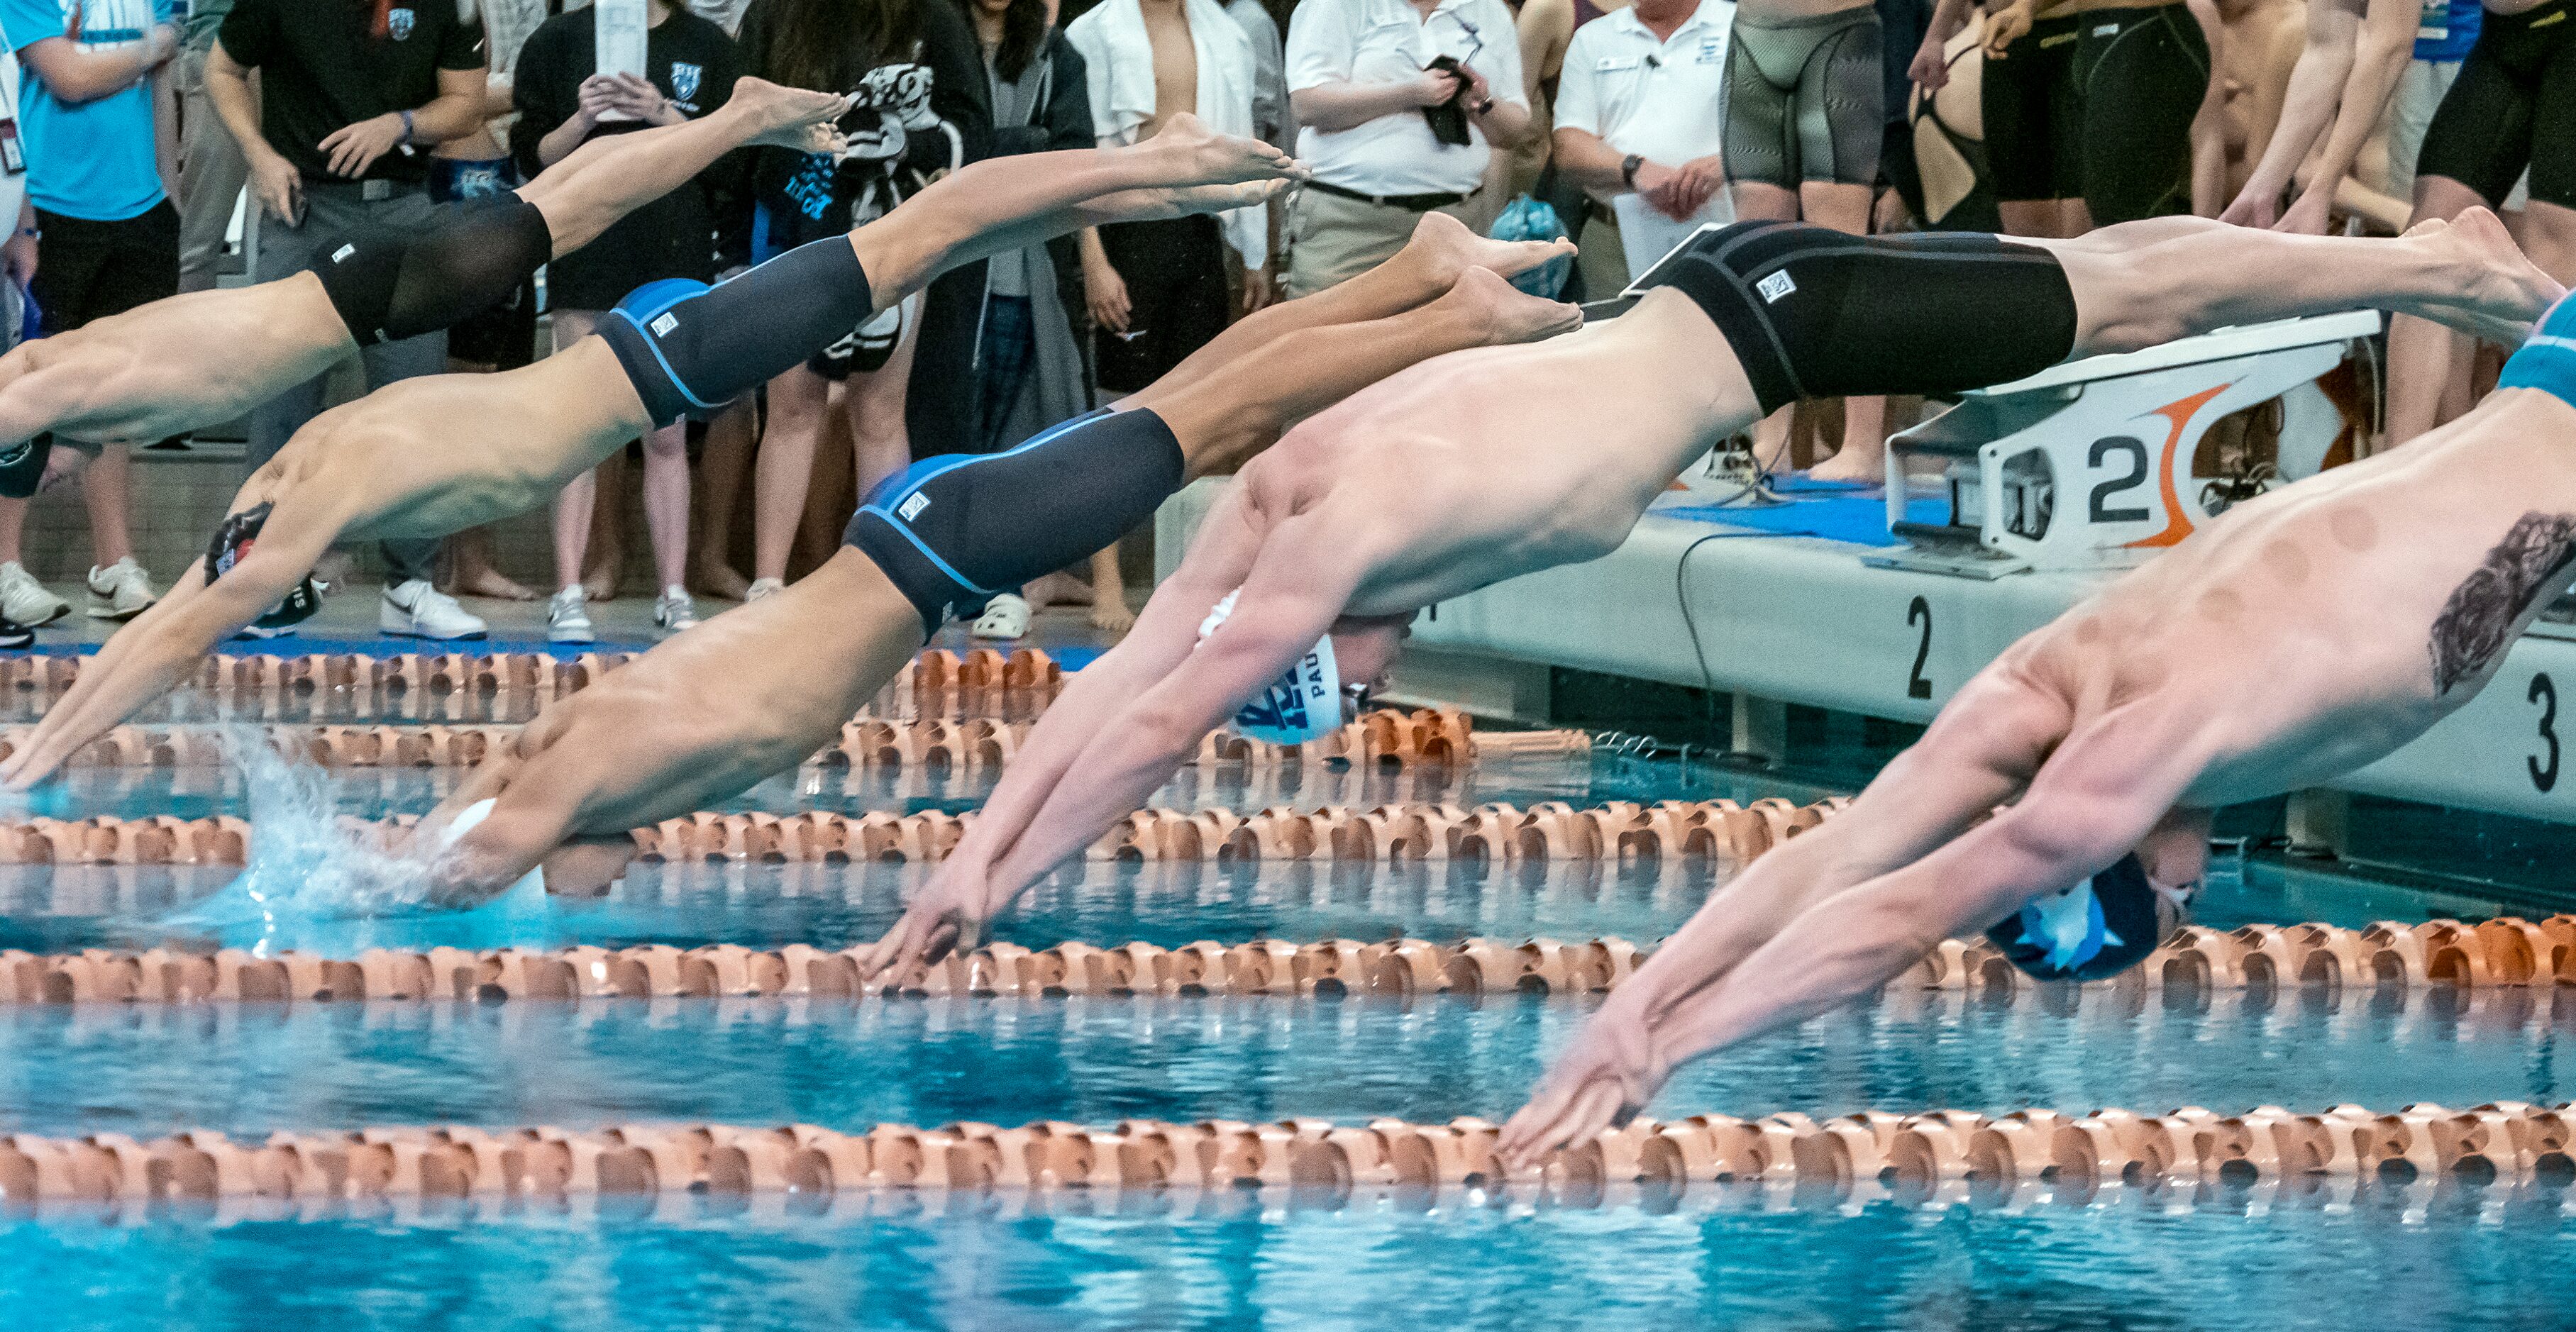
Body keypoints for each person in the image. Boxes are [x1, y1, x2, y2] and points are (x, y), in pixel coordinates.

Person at [854, 207, 2563, 976]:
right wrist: (975, 860)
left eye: (1336, 690)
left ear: (1313, 659)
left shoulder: (1323, 553)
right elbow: (1124, 686)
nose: (1372, 695)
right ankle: (2421, 269)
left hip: (1773, 326)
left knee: (2128, 299)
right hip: (1722, 299)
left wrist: (982, 879)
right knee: (2120, 284)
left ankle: (2423, 268)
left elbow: (1156, 712)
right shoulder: (1267, 517)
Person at [1499, 287, 2576, 1166]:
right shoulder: (2056, 667)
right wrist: (1625, 1007)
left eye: (2180, 902)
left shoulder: (2133, 761)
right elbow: (1844, 845)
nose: (2194, 883)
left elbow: (1901, 910)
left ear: (2135, 869)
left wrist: (1664, 1045)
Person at [0, 119, 1303, 788]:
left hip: (654, 367)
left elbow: (170, 636)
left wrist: (37, 760)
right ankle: (1159, 176)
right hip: (636, 356)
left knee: (931, 231)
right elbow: (166, 620)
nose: (64, 478)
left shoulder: (286, 514)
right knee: (934, 238)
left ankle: (1159, 164)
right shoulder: (288, 484)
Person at [407, 216, 1576, 903]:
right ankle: (1417, 277)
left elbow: (488, 859)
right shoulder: (588, 758)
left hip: (940, 549)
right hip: (923, 539)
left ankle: (1448, 312)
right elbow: (560, 853)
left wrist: (360, 891)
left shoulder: (588, 762)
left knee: (1212, 418)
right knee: (1198, 406)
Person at [0, 79, 847, 499]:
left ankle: (737, 118)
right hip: (355, 283)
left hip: (365, 298)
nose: (50, 483)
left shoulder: (77, 390)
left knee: (574, 211)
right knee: (560, 206)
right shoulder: (75, 374)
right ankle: (730, 119)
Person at [205, 0, 497, 640]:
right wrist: (258, 154)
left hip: (405, 213)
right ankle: (259, 586)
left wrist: (399, 124)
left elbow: (467, 104)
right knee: (282, 401)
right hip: (302, 209)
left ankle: (410, 588)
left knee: (413, 406)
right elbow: (221, 69)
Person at [734, 0, 990, 604]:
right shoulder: (776, 13)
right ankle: (768, 580)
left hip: (894, 234)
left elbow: (970, 132)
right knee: (792, 407)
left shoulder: (934, 19)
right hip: (799, 232)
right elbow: (740, 127)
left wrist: (900, 144)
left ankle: (883, 579)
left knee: (878, 413)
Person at [514, 0, 747, 641]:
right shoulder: (559, 40)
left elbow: (730, 161)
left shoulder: (707, 44)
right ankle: (567, 591)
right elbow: (533, 157)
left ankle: (673, 592)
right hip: (585, 249)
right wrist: (584, 118)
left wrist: (663, 114)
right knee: (577, 433)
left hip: (670, 252)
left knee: (667, 433)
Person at [1068, 0, 1268, 631]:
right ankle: (1107, 581)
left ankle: (1189, 579)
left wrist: (1256, 250)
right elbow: (1078, 158)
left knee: (1203, 408)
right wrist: (1094, 259)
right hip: (1126, 227)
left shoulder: (1224, 33)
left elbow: (1243, 144)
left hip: (1200, 230)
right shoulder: (1094, 30)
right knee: (1116, 409)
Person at [0, 0, 177, 630]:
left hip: (138, 207)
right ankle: (6, 565)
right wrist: (150, 45)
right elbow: (67, 77)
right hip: (49, 205)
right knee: (32, 388)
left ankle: (115, 561)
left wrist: (170, 194)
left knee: (114, 397)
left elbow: (159, 91)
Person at [953, 0, 1103, 642]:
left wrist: (997, 152)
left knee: (1003, 439)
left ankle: (1001, 586)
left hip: (1022, 275)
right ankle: (940, 579)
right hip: (944, 271)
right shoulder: (936, 39)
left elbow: (1074, 160)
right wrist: (1021, 147)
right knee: (942, 431)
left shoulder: (1055, 55)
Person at [2382, 0, 2575, 449]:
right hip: (2502, 40)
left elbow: (2388, 45)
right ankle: (2400, 462)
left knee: (2553, 252)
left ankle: (2545, 456)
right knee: (2431, 235)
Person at [1283, 0, 1532, 299]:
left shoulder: (1488, 10)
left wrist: (1481, 103)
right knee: (1326, 339)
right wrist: (1411, 92)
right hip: (1351, 222)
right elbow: (1308, 105)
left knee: (1452, 342)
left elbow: (1513, 131)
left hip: (1455, 220)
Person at [1549, 0, 1732, 302]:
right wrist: (1634, 168)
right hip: (1616, 237)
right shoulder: (1593, 38)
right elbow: (1569, 147)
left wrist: (1726, 162)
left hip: (1720, 232)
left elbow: (1780, 130)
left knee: (1719, 341)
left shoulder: (1739, 27)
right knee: (1614, 343)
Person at [2218, 0, 2428, 233]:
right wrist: (2260, 191)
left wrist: (2323, 189)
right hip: (2377, 216)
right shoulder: (2293, 30)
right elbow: (2328, 49)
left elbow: (2392, 43)